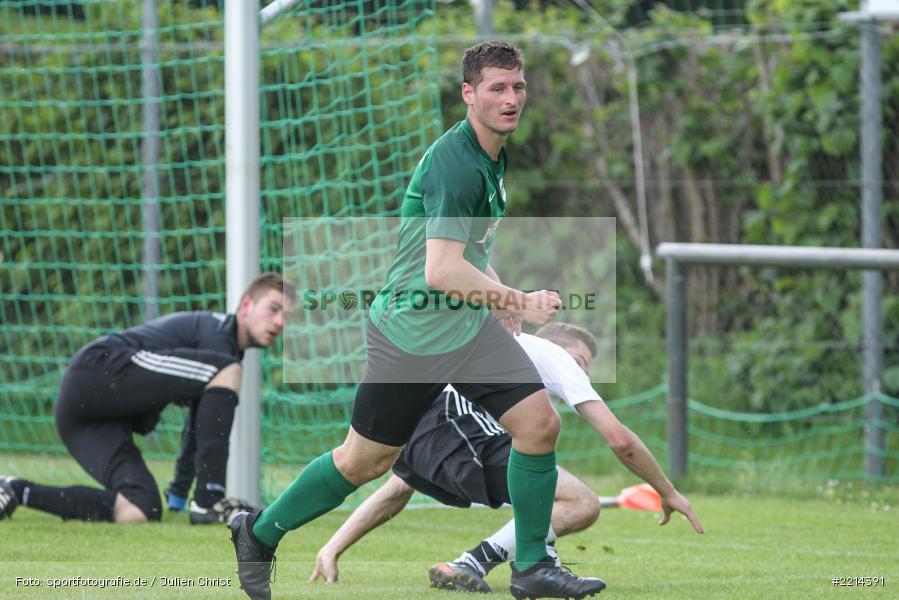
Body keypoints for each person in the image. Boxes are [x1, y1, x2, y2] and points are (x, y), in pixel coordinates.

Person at [228, 41, 606, 600]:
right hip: (412, 337)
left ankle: (532, 568)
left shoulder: (492, 153)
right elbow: (441, 270)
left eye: (518, 86)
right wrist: (518, 300)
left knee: (538, 425)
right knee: (363, 462)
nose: (511, 98)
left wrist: (497, 298)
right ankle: (259, 533)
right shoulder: (456, 163)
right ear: (468, 94)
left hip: (463, 326)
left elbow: (468, 249)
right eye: (497, 88)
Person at [307, 323, 704, 593]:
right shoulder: (549, 355)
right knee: (581, 502)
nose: (581, 372)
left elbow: (398, 488)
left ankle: (534, 563)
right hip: (447, 426)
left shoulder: (506, 389)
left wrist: (332, 546)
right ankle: (473, 564)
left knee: (542, 489)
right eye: (580, 362)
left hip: (423, 431)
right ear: (554, 345)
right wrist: (667, 490)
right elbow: (620, 440)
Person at [0, 272, 294, 525]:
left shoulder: (222, 358)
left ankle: (15, 490)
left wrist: (178, 493)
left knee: (141, 507)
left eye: (286, 316)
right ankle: (208, 501)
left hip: (84, 419)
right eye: (273, 309)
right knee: (228, 369)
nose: (280, 322)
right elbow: (199, 424)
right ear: (246, 305)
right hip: (98, 366)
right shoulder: (218, 335)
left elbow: (198, 424)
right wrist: (206, 499)